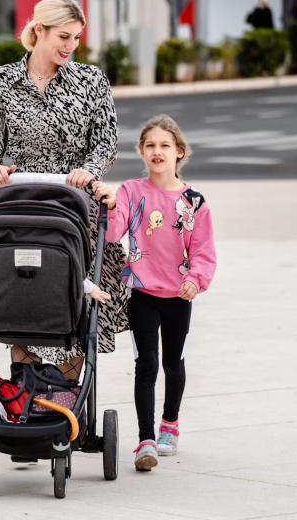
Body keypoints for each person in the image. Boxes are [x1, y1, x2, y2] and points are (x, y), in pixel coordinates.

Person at [0, 0, 128, 379]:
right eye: (63, 36)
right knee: (23, 293)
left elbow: (106, 141)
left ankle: (65, 395)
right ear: (39, 29)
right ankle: (25, 389)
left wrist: (90, 169)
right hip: (19, 201)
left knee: (70, 302)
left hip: (73, 205)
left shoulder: (91, 81)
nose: (71, 46)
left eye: (76, 37)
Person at [93, 115, 216, 472]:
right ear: (142, 153)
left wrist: (197, 279)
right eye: (150, 146)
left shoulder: (194, 202)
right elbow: (114, 234)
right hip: (142, 294)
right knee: (146, 364)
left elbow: (204, 251)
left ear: (179, 152)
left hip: (179, 296)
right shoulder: (131, 191)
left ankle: (169, 424)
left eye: (165, 145)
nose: (157, 151)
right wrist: (112, 205)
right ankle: (145, 439)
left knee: (172, 364)